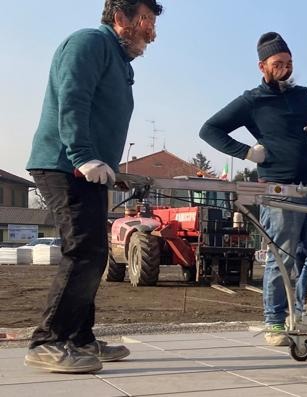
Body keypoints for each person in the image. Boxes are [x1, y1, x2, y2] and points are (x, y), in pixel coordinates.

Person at [23, 0, 162, 373]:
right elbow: (74, 97)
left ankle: (81, 338)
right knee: (83, 250)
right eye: (146, 20)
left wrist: (107, 166)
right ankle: (48, 341)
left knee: (95, 252)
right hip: (64, 164)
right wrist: (83, 154)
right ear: (120, 18)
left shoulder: (118, 62)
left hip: (86, 168)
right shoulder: (89, 43)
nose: (152, 31)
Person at [199, 32, 307, 346]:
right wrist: (245, 152)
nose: (284, 69)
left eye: (288, 63)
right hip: (279, 190)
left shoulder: (305, 95)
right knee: (281, 257)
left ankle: (305, 315)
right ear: (262, 66)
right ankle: (275, 322)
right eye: (277, 64)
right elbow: (209, 129)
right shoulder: (252, 101)